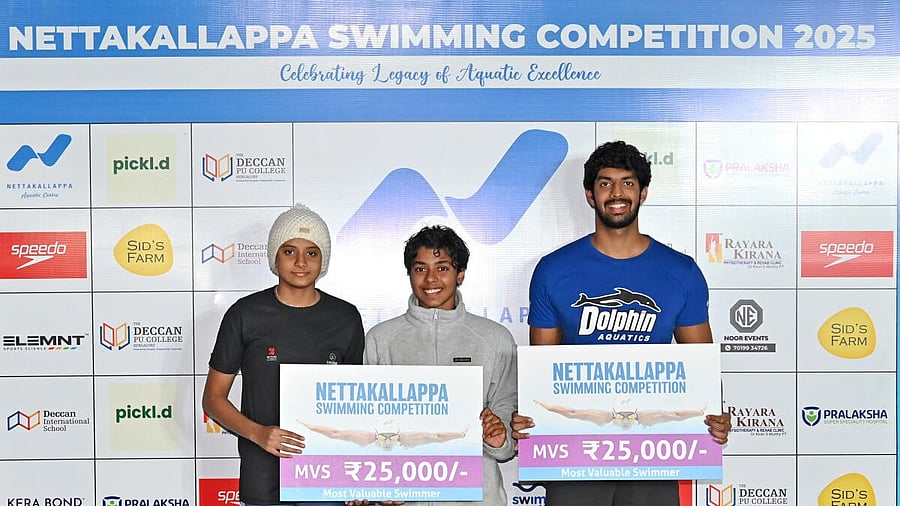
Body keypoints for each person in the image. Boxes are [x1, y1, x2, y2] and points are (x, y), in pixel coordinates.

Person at [511, 141, 732, 506]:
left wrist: (715, 413)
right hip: (575, 453)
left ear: (643, 193)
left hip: (654, 454)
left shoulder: (681, 272)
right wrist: (533, 415)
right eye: (605, 183)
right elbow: (543, 369)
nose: (616, 193)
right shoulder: (553, 270)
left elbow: (701, 365)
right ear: (589, 194)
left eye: (628, 183)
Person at [202, 203, 365, 506]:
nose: (301, 262)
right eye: (290, 251)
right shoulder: (244, 314)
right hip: (263, 478)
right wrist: (258, 433)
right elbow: (213, 398)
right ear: (275, 257)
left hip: (327, 480)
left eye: (312, 252)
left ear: (323, 259)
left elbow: (354, 404)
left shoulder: (346, 317)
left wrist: (358, 475)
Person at [363, 225, 518, 506]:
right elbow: (369, 425)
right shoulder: (380, 339)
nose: (430, 279)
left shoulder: (495, 339)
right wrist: (380, 485)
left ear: (460, 275)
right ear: (409, 274)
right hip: (404, 498)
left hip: (477, 498)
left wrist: (498, 439)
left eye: (442, 268)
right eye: (420, 269)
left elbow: (505, 427)